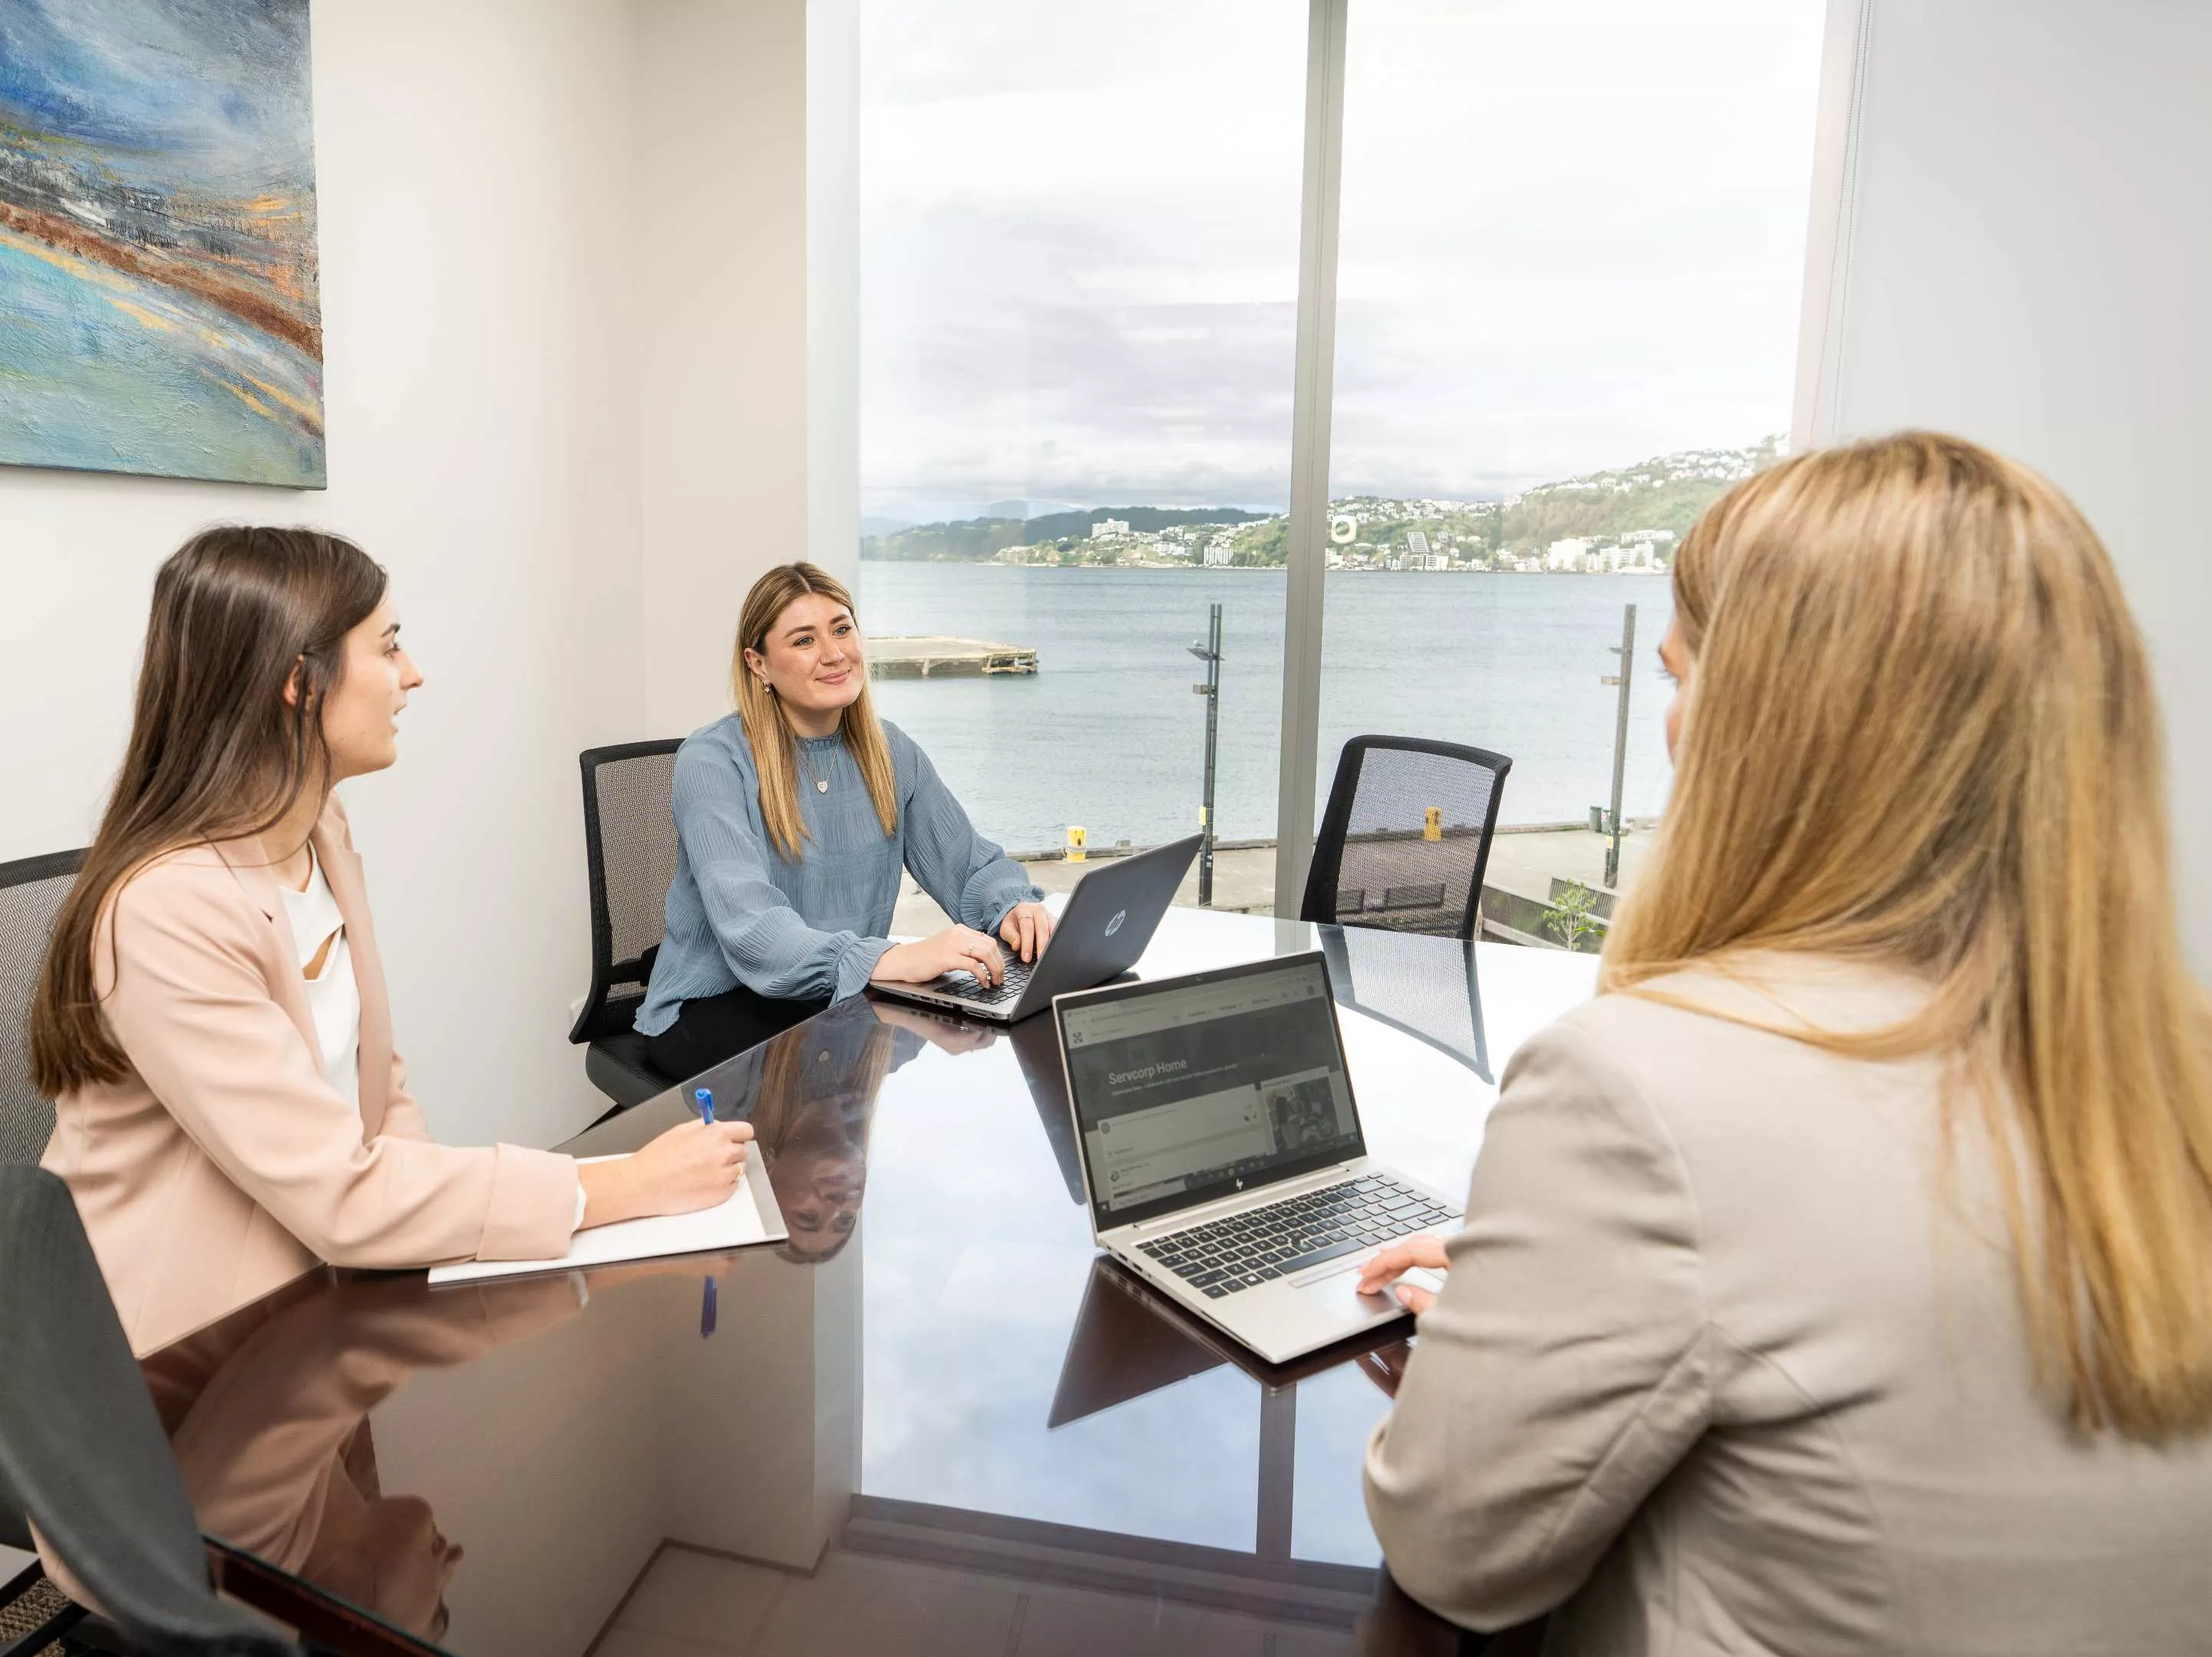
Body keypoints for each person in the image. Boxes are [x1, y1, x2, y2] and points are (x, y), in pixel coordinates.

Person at [1358, 434, 2212, 1652]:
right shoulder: (2175, 1067)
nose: (1667, 725)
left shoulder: (1636, 1087)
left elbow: (1450, 1555)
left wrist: (1503, 1341)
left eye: (1677, 674)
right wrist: (1556, 1281)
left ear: (1773, 722)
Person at [32, 528, 753, 1357]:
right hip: (173, 1361)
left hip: (317, 1290)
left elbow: (379, 1095)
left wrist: (444, 1251)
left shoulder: (319, 833)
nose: (412, 675)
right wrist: (621, 1183)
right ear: (300, 682)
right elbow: (340, 1188)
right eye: (389, 647)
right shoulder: (167, 908)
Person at [635, 561, 1053, 1078]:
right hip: (716, 1004)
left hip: (838, 996)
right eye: (804, 640)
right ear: (758, 663)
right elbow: (753, 929)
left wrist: (1011, 905)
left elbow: (968, 864)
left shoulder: (890, 750)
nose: (834, 654)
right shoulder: (713, 760)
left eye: (841, 628)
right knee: (853, 1076)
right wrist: (890, 960)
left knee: (969, 1035)